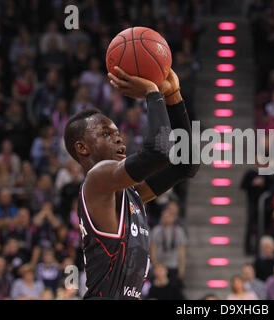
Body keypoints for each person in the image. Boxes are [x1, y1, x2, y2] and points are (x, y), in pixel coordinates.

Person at [63, 67, 198, 299]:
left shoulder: (130, 195)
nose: (117, 137)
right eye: (106, 133)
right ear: (82, 148)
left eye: (118, 133)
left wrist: (174, 96)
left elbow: (186, 165)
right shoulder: (96, 179)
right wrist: (152, 92)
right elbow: (159, 151)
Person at [150, 202, 187, 286]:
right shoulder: (156, 230)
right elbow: (153, 248)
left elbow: (182, 251)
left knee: (172, 287)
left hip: (173, 265)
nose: (165, 218)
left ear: (173, 218)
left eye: (168, 216)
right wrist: (155, 265)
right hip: (160, 265)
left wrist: (181, 268)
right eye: (164, 216)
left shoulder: (179, 231)